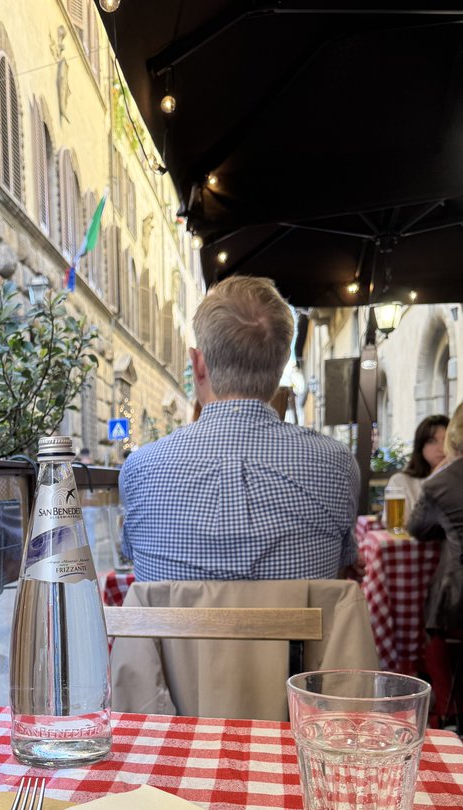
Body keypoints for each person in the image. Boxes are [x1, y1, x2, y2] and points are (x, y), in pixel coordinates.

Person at [120, 275, 359, 582]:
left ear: (199, 363)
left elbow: (133, 562)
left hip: (177, 632)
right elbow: (339, 573)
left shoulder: (139, 468)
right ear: (284, 361)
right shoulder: (336, 464)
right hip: (296, 632)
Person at [407, 403, 463, 729]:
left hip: (457, 599)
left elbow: (416, 529)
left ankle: (449, 711)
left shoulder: (440, 483)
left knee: (438, 639)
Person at [381, 413, 449, 526]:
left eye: (446, 440)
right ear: (420, 446)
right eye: (432, 441)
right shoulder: (401, 481)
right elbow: (395, 526)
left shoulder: (456, 481)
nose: (441, 448)